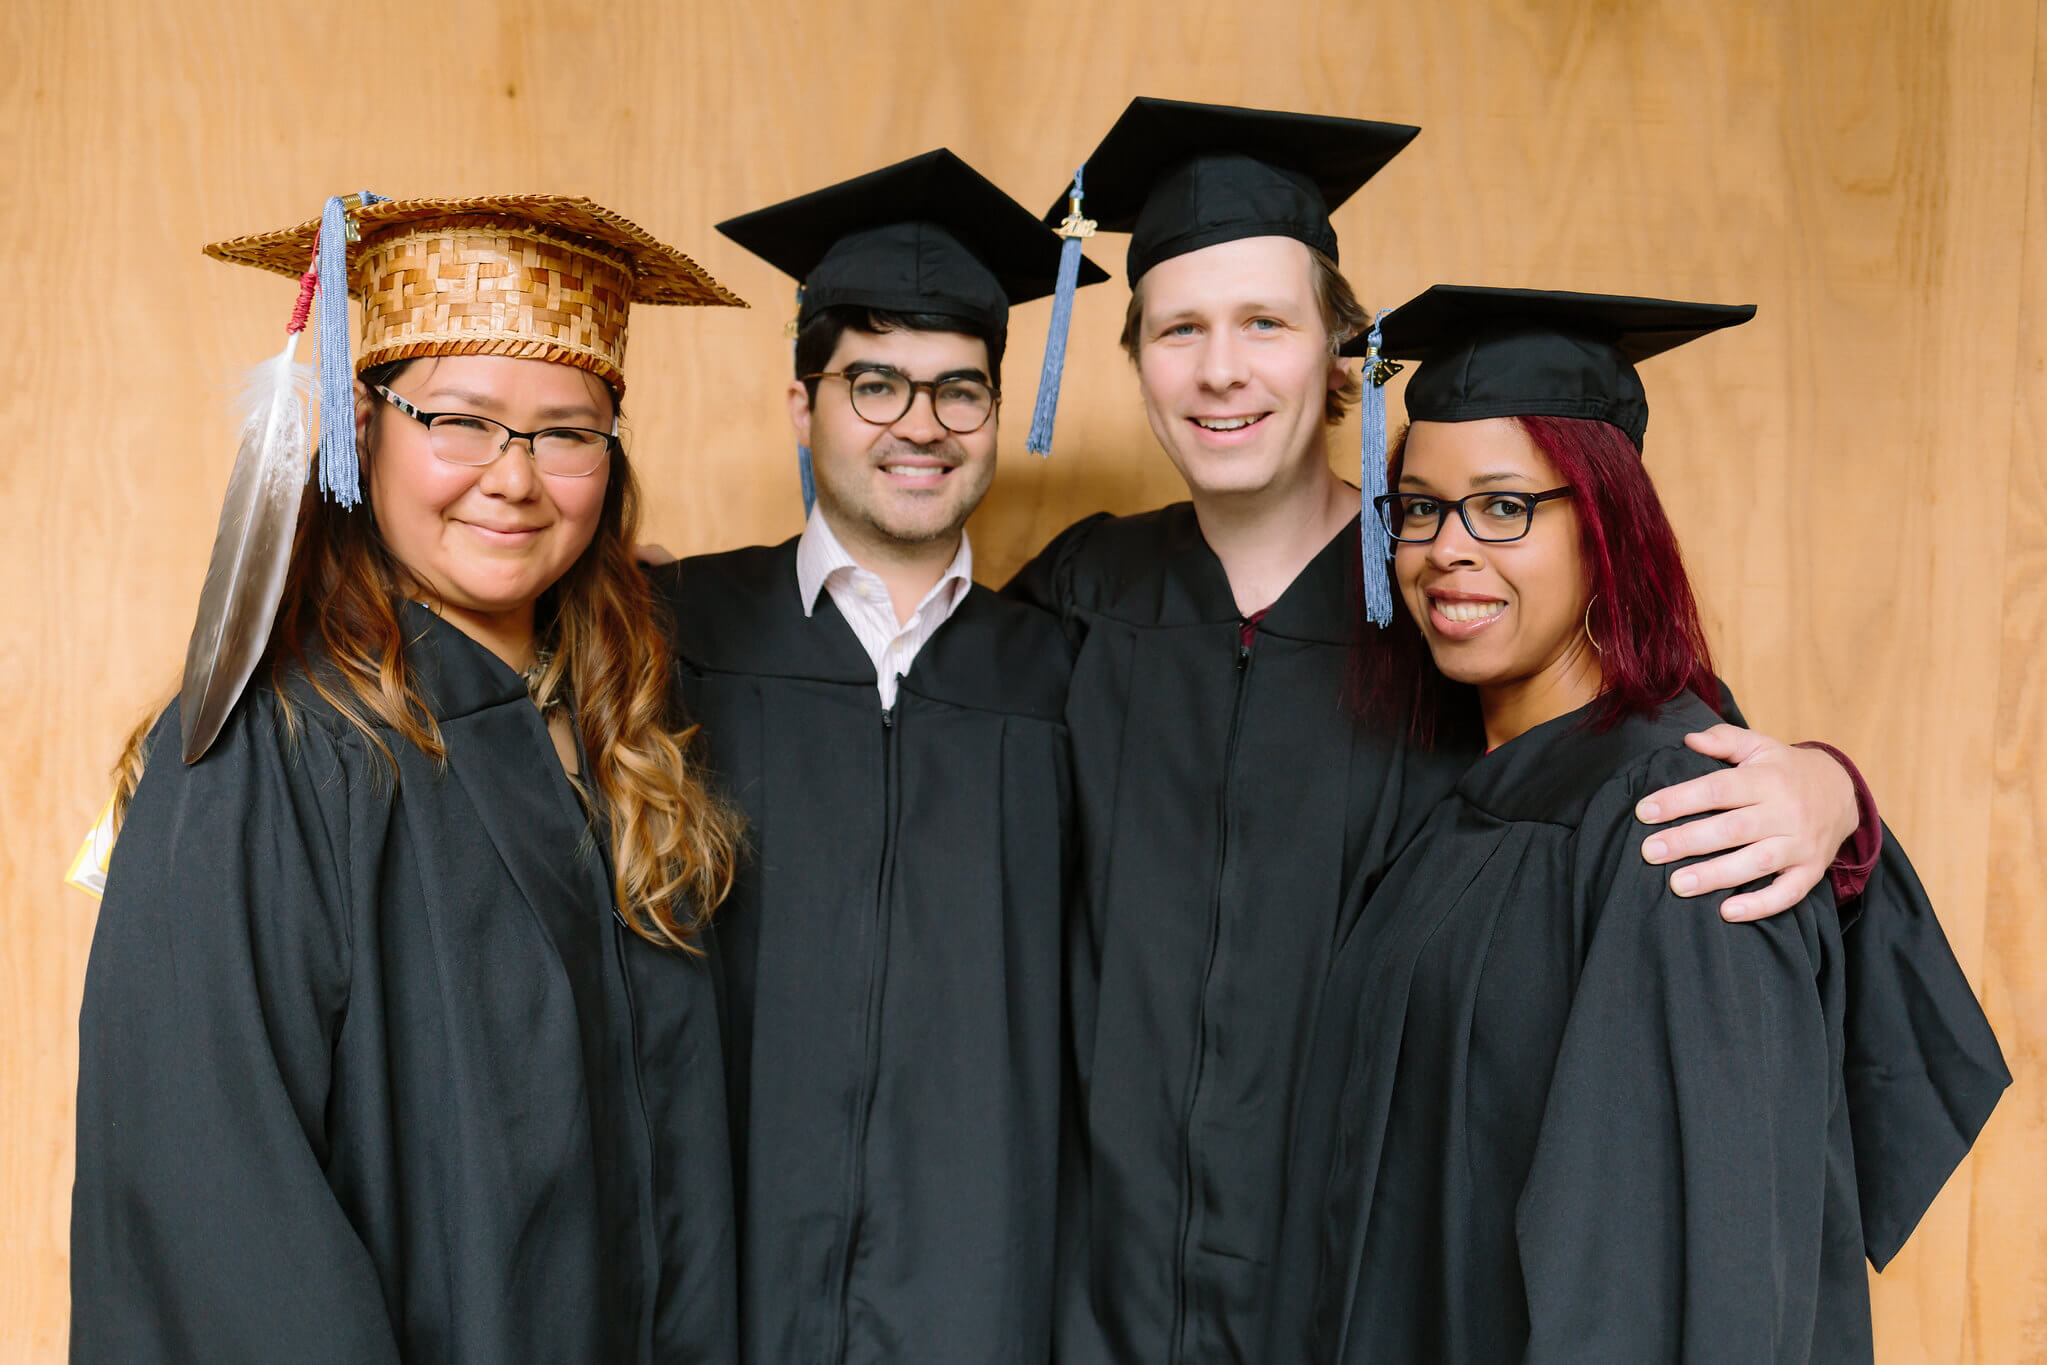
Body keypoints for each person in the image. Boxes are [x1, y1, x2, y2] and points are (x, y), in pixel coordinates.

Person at [1005, 98, 1880, 1364]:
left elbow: (1658, 767)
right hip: (1107, 1299)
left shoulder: (1449, 599)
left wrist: (1830, 791)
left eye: (1265, 323)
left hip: (1372, 1283)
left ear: (1340, 354)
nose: (1221, 369)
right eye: (1178, 329)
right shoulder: (1077, 597)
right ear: (1131, 353)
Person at [1264, 285, 2007, 1363]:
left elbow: (1680, 1278)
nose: (1446, 549)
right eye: (1416, 508)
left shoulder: (1682, 822)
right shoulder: (1459, 796)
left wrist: (1834, 792)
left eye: (1505, 505)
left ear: (1606, 524)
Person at [71, 194, 748, 1364]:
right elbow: (213, 1209)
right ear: (359, 432)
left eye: (568, 431)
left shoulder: (621, 745)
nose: (515, 479)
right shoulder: (271, 749)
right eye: (459, 420)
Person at [640, 150, 1104, 1365]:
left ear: (997, 414)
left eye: (961, 391)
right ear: (804, 406)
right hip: (720, 1269)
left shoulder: (1067, 677)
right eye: (876, 384)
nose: (921, 426)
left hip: (976, 1284)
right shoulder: (670, 636)